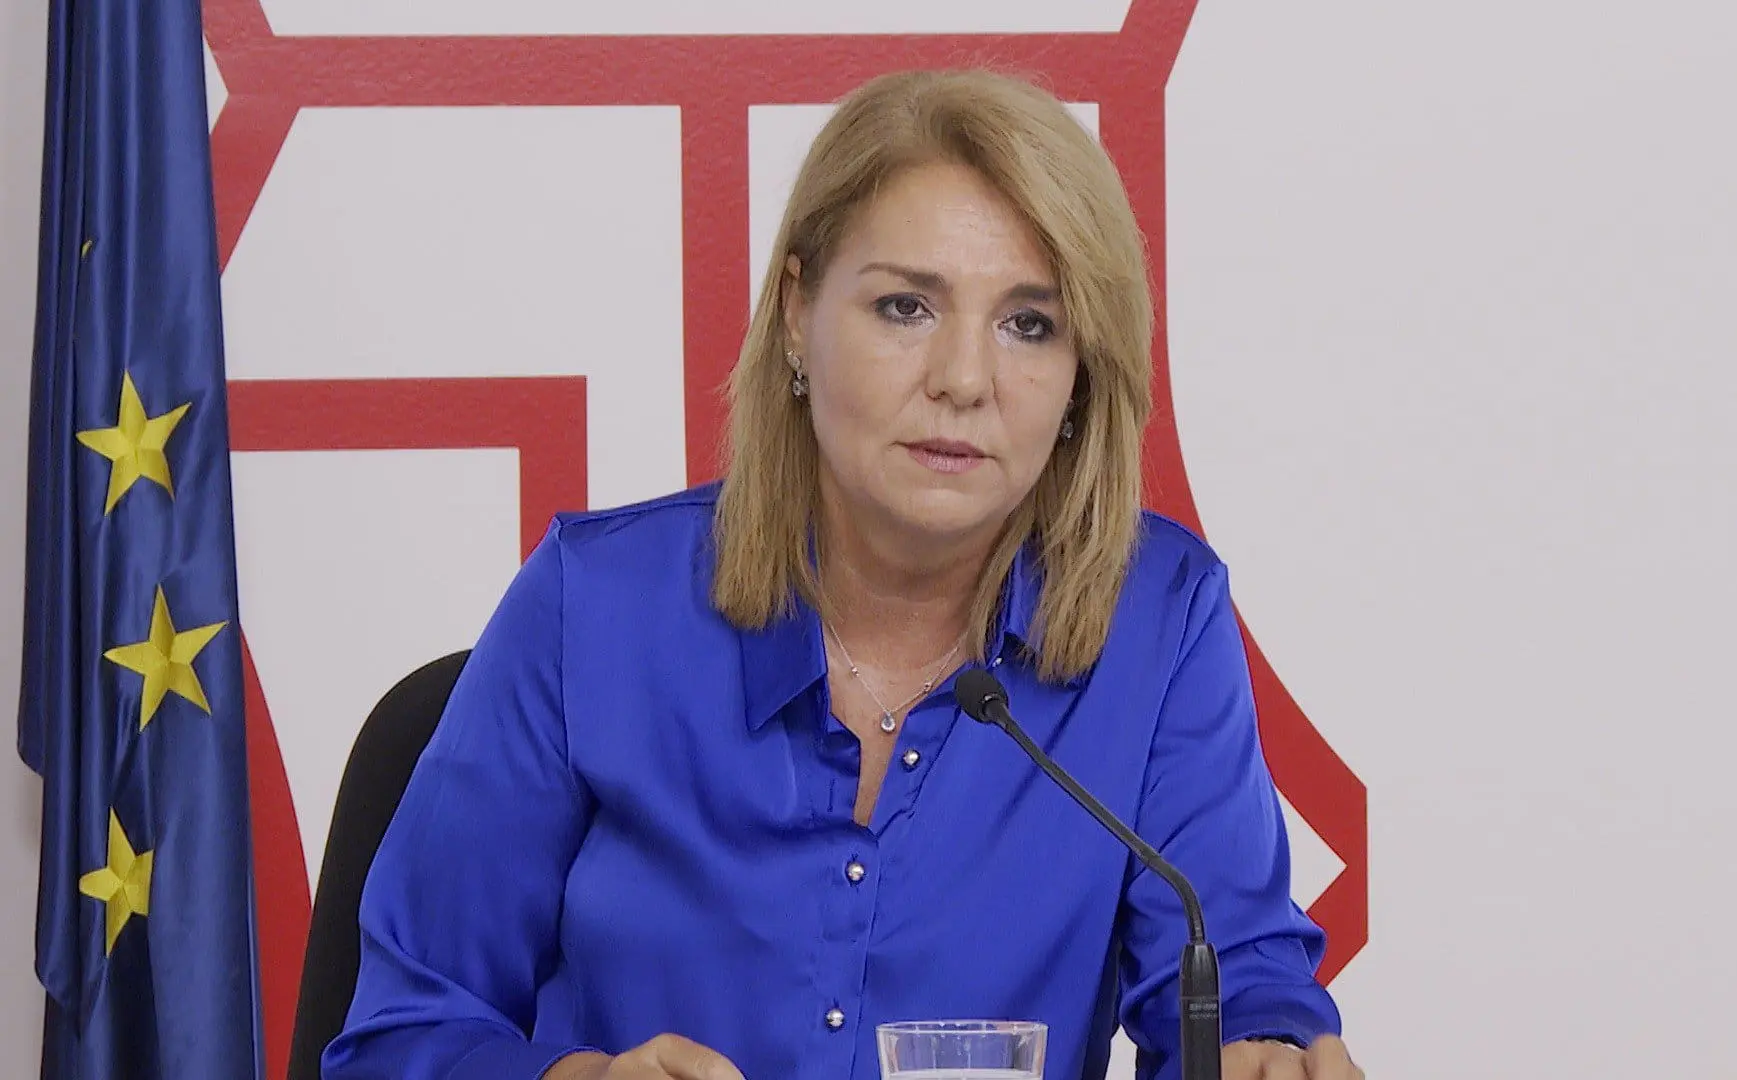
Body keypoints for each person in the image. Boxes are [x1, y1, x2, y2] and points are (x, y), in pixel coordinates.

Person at [321, 69, 1361, 1080]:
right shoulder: (591, 607)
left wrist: (1264, 1049)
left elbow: (1236, 985)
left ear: (1082, 374)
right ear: (797, 314)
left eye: (1029, 324)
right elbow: (402, 1038)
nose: (964, 380)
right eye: (906, 307)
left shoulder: (1160, 621)